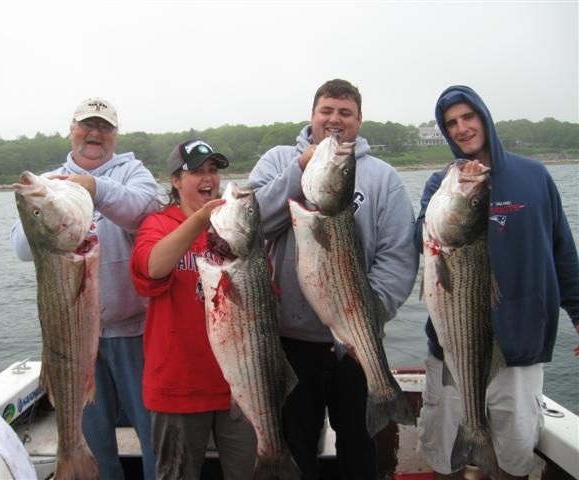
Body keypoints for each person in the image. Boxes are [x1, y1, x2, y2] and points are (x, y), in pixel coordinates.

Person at [247, 79, 419, 479]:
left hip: (358, 341)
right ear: (312, 115)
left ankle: (384, 398)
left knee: (359, 450)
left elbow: (397, 258)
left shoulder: (384, 178)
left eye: (345, 112)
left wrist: (368, 316)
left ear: (359, 120)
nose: (335, 119)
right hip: (288, 341)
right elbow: (249, 224)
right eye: (327, 110)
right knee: (296, 445)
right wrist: (299, 169)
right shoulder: (277, 160)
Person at [414, 85, 579, 480]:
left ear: (484, 117)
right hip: (453, 346)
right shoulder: (440, 184)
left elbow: (563, 251)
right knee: (443, 456)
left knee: (515, 458)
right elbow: (421, 237)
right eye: (451, 123)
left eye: (468, 117)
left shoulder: (534, 176)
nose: (461, 128)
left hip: (521, 344)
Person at [10, 97, 161, 479]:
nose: (95, 133)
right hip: (70, 337)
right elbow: (20, 248)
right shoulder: (48, 182)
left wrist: (95, 188)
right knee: (90, 441)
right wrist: (45, 212)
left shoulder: (133, 173)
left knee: (154, 436)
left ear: (115, 134)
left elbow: (145, 211)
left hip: (135, 333)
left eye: (104, 127)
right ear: (72, 129)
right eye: (86, 125)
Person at [129, 140, 258, 480]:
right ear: (175, 181)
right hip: (177, 390)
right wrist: (201, 220)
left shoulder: (237, 229)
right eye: (197, 171)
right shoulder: (157, 225)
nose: (209, 178)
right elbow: (152, 268)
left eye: (213, 170)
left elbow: (263, 296)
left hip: (241, 387)